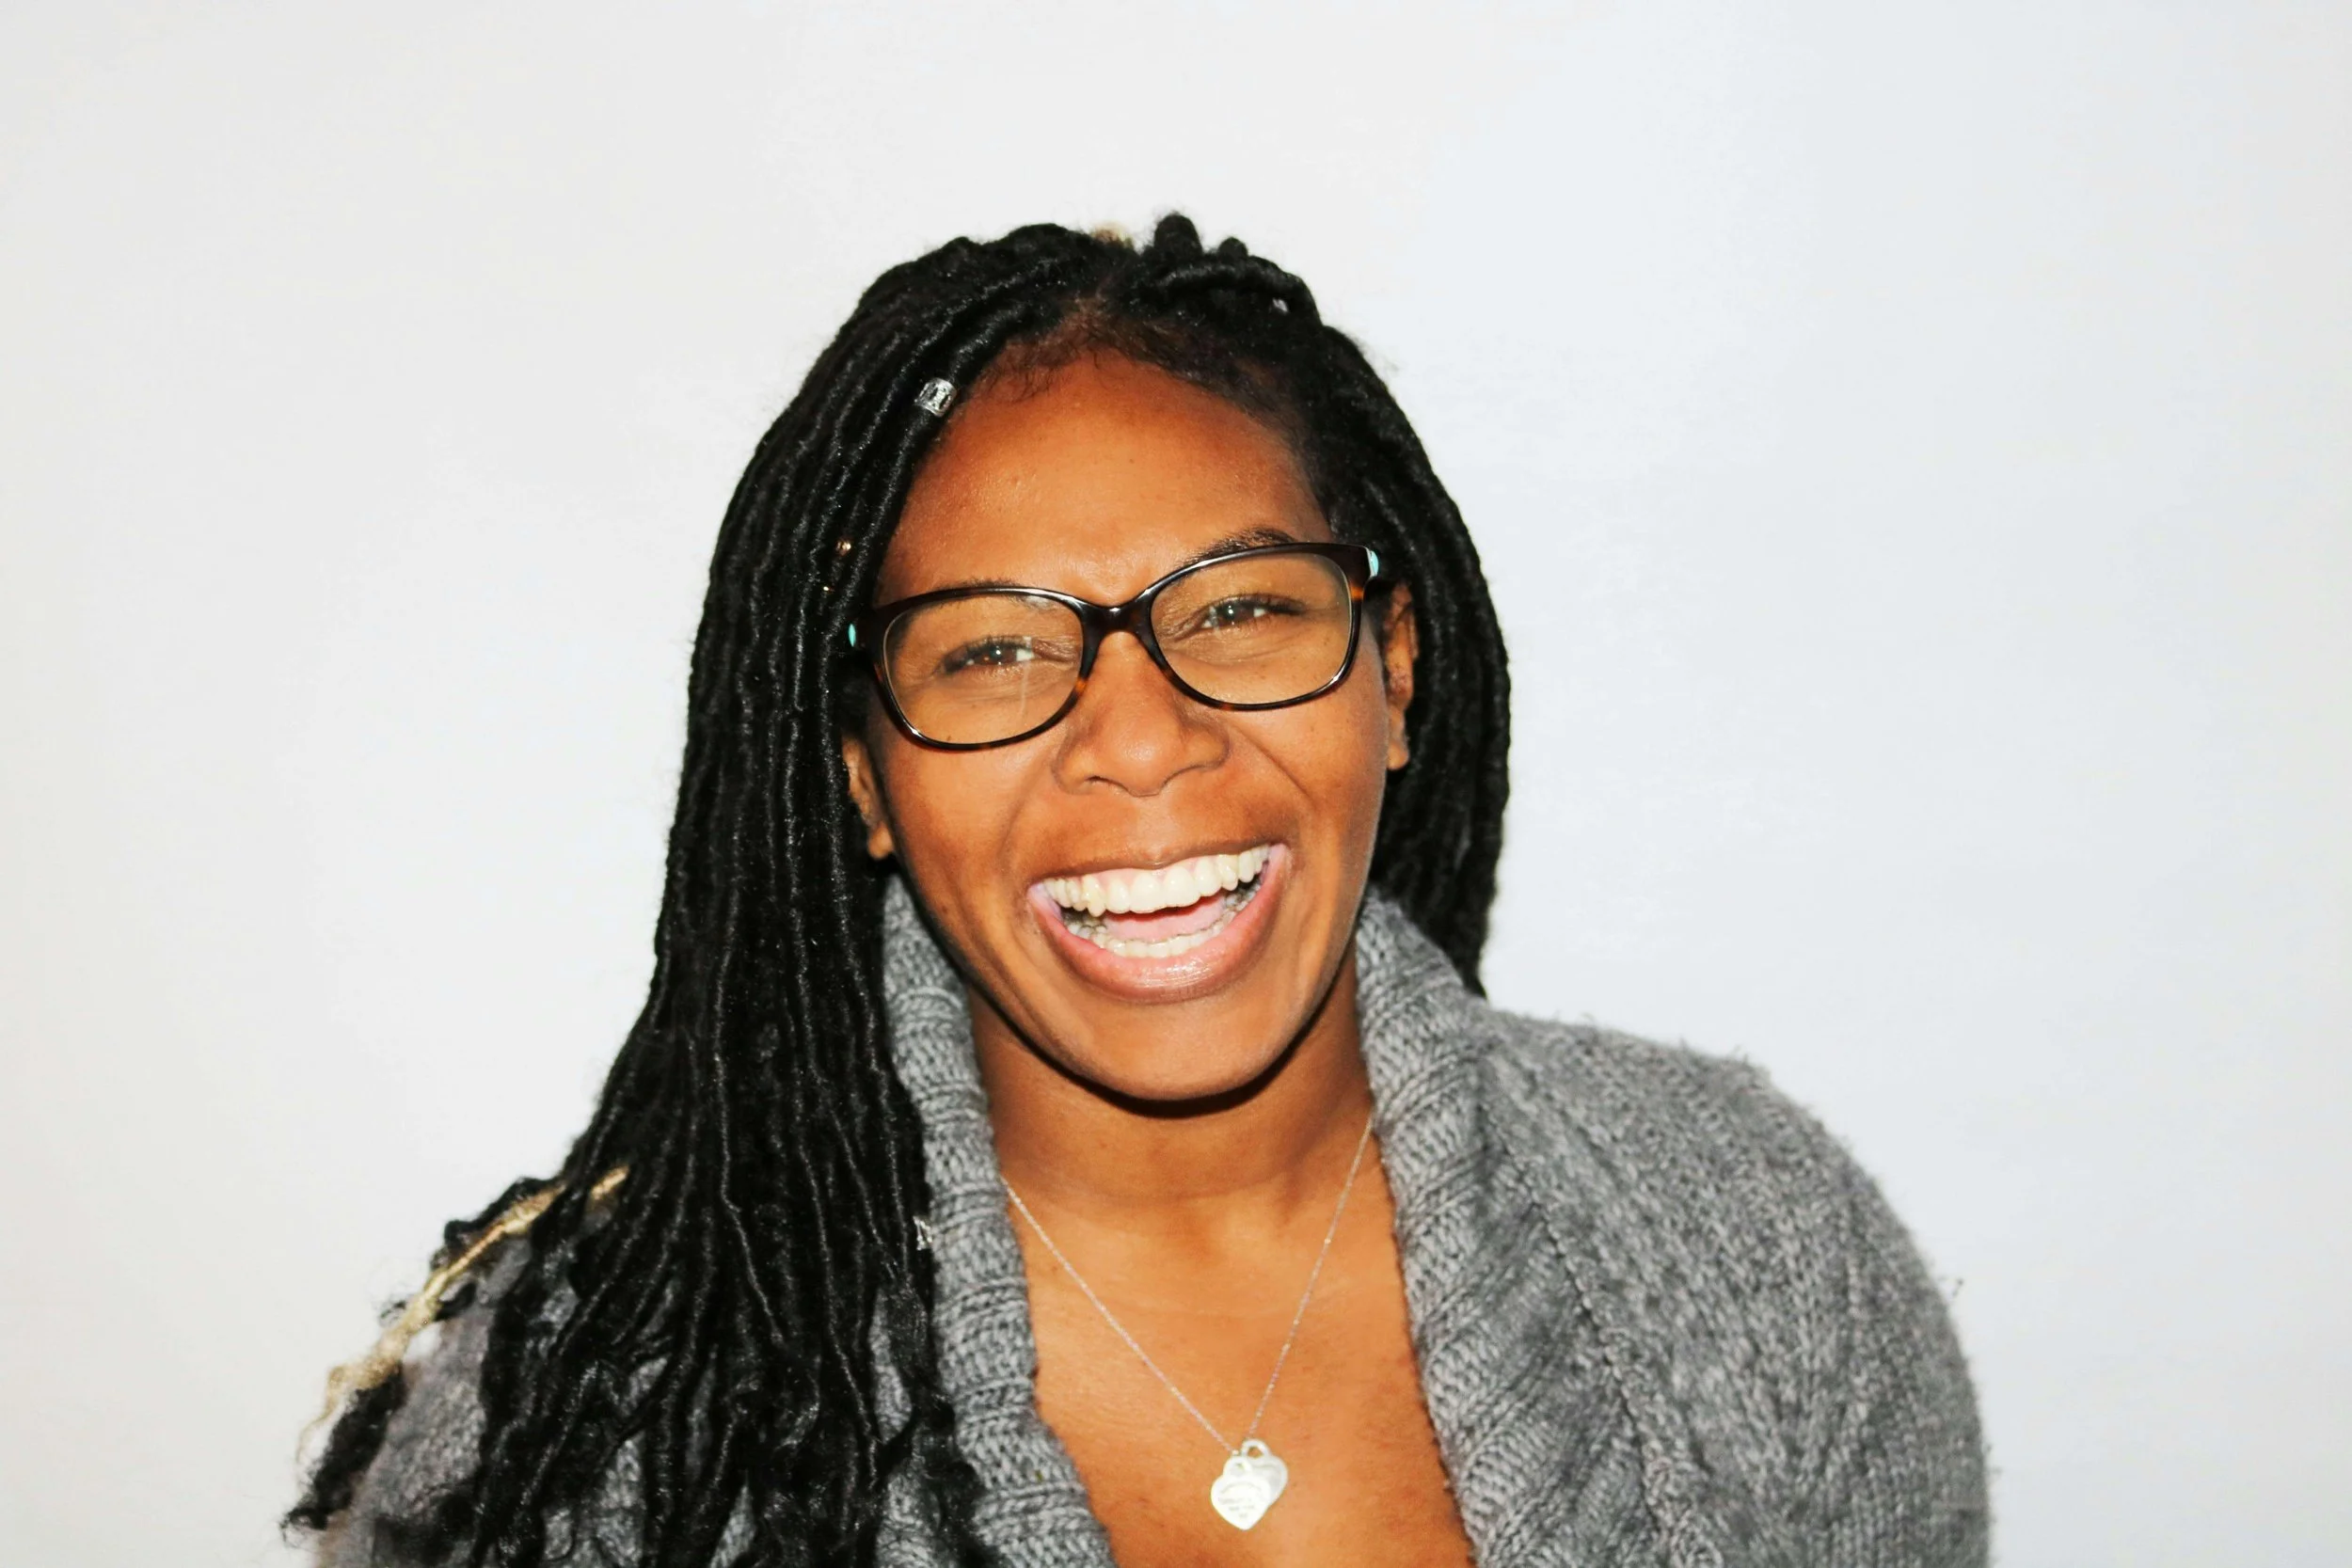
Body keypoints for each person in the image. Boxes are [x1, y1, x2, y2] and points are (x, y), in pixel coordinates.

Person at [291, 216, 1988, 1567]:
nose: (1145, 741)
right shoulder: (613, 1433)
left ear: (1394, 668)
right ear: (863, 773)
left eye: (1242, 610)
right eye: (995, 649)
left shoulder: (1755, 1250)